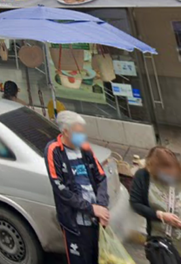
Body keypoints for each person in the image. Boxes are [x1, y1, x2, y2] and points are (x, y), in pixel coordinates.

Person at [45, 111, 110, 264]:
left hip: (95, 219)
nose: (82, 136)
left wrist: (101, 207)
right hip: (75, 224)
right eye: (78, 132)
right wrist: (91, 208)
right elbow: (60, 189)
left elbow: (101, 177)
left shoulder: (85, 147)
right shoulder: (54, 150)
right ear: (66, 132)